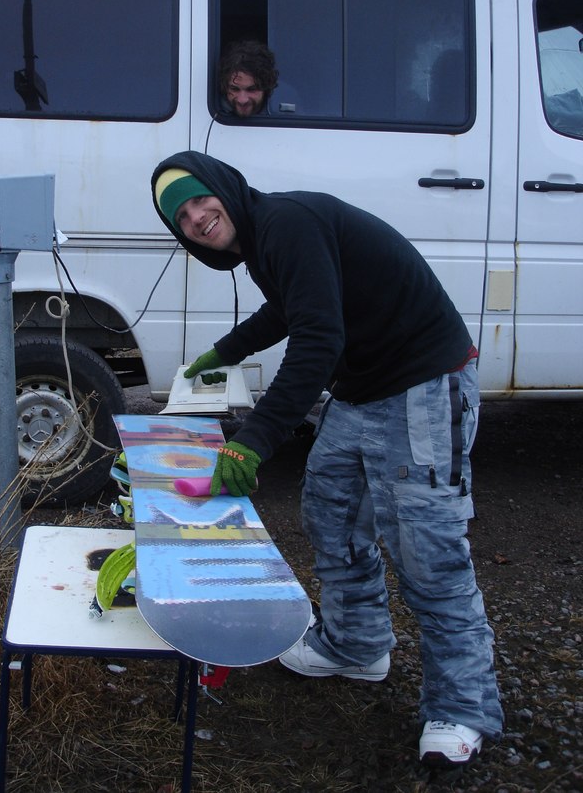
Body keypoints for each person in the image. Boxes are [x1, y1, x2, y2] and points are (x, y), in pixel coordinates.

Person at [151, 151, 503, 769]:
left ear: (226, 188)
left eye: (200, 199)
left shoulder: (286, 222)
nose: (198, 218)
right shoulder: (264, 240)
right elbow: (291, 308)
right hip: (364, 388)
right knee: (331, 512)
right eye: (181, 217)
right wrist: (222, 352)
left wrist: (253, 439)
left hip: (421, 382)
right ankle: (356, 644)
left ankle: (464, 707)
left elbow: (319, 336)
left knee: (428, 549)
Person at [218, 40, 279, 116]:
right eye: (235, 89)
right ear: (224, 88)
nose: (242, 100)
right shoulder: (209, 112)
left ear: (266, 88)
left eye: (251, 89)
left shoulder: (281, 108)